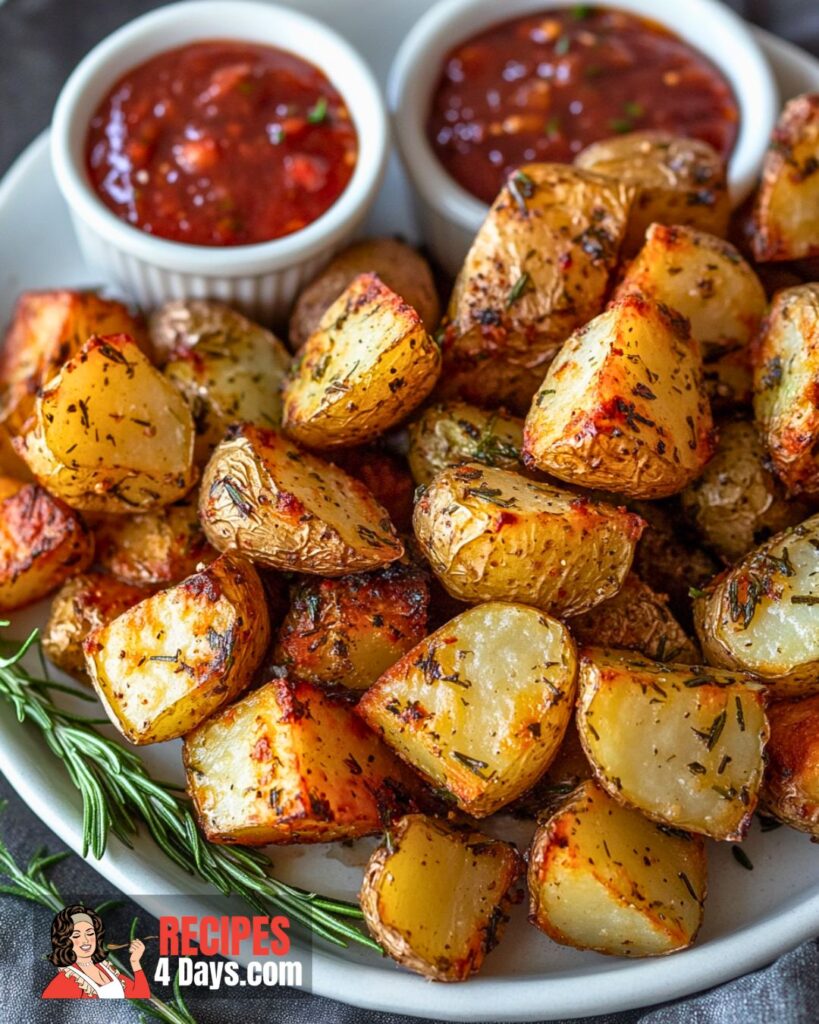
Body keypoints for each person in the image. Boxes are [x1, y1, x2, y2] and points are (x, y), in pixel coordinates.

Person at [41, 904, 150, 1000]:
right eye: (76, 935)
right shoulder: (66, 980)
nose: (86, 940)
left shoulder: (106, 968)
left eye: (90, 933)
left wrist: (135, 962)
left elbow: (142, 996)